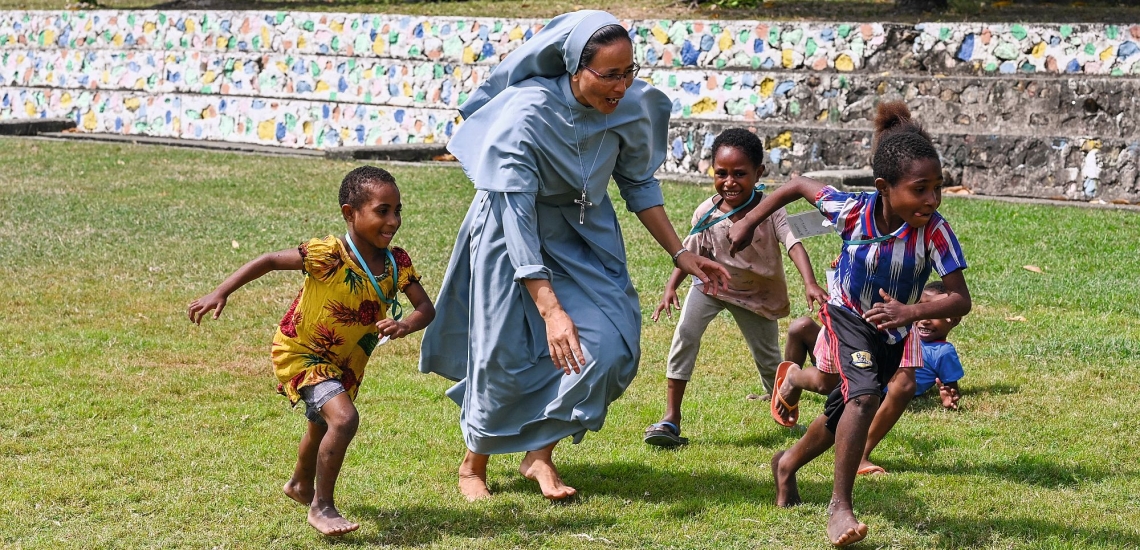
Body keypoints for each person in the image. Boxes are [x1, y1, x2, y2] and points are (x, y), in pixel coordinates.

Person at [418, 10, 730, 502]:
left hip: (583, 236)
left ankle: (538, 452)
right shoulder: (525, 114)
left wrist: (679, 252)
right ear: (575, 69)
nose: (622, 86)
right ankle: (473, 463)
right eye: (610, 75)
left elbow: (638, 183)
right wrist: (550, 308)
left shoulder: (629, 105)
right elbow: (515, 211)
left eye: (630, 71)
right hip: (509, 235)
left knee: (607, 347)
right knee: (504, 352)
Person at [727, 101, 971, 547]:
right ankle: (840, 507)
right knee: (863, 398)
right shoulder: (851, 211)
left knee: (843, 406)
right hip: (846, 315)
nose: (932, 199)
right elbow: (797, 185)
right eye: (921, 189)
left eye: (937, 188)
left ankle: (786, 464)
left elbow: (960, 298)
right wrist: (747, 222)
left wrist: (908, 313)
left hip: (892, 330)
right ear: (884, 188)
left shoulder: (935, 229)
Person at [188, 166, 435, 536]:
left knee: (321, 425)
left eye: (398, 210)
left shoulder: (396, 263)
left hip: (348, 359)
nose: (393, 220)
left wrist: (404, 325)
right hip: (302, 352)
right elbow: (270, 260)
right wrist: (220, 291)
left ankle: (300, 484)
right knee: (344, 419)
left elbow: (425, 308)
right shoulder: (329, 255)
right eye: (382, 211)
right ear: (350, 213)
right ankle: (322, 505)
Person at [642, 128, 828, 448]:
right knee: (685, 336)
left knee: (769, 360)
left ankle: (782, 403)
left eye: (740, 174)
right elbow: (689, 253)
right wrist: (671, 288)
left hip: (758, 294)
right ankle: (671, 417)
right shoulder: (707, 211)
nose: (729, 182)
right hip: (713, 285)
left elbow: (793, 244)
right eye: (721, 173)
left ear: (759, 173)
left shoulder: (771, 210)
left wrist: (810, 283)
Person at [776, 279, 965, 477]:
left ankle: (859, 452)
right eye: (921, 307)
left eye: (932, 311)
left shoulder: (941, 349)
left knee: (900, 387)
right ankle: (791, 379)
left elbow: (949, 386)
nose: (925, 318)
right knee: (825, 380)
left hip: (886, 348)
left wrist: (947, 394)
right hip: (859, 329)